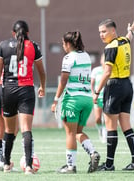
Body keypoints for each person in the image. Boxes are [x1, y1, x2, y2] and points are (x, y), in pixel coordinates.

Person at [0, 20, 46, 174]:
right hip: (26, 90)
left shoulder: (3, 45)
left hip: (8, 90)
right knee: (26, 129)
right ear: (28, 33)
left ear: (13, 33)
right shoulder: (33, 46)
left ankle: (7, 164)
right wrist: (42, 86)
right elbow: (42, 71)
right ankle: (29, 166)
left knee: (9, 131)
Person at [94, 19, 134, 171]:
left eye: (104, 31)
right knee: (126, 125)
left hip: (114, 87)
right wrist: (131, 30)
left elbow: (107, 72)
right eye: (100, 32)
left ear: (113, 30)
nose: (101, 35)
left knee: (111, 127)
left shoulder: (110, 47)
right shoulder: (124, 41)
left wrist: (96, 91)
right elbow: (129, 37)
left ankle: (109, 165)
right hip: (127, 85)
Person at [51, 31, 100, 174]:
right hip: (87, 99)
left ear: (68, 44)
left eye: (63, 43)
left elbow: (63, 80)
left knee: (70, 133)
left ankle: (71, 166)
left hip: (73, 99)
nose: (63, 46)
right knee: (78, 132)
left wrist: (55, 100)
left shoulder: (68, 58)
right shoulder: (85, 56)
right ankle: (93, 152)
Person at [91, 54, 107, 143]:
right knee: (97, 118)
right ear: (101, 60)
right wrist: (93, 94)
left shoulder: (109, 70)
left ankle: (105, 134)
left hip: (107, 98)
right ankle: (100, 130)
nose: (104, 61)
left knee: (106, 118)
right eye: (103, 59)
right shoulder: (96, 70)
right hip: (97, 98)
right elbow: (91, 84)